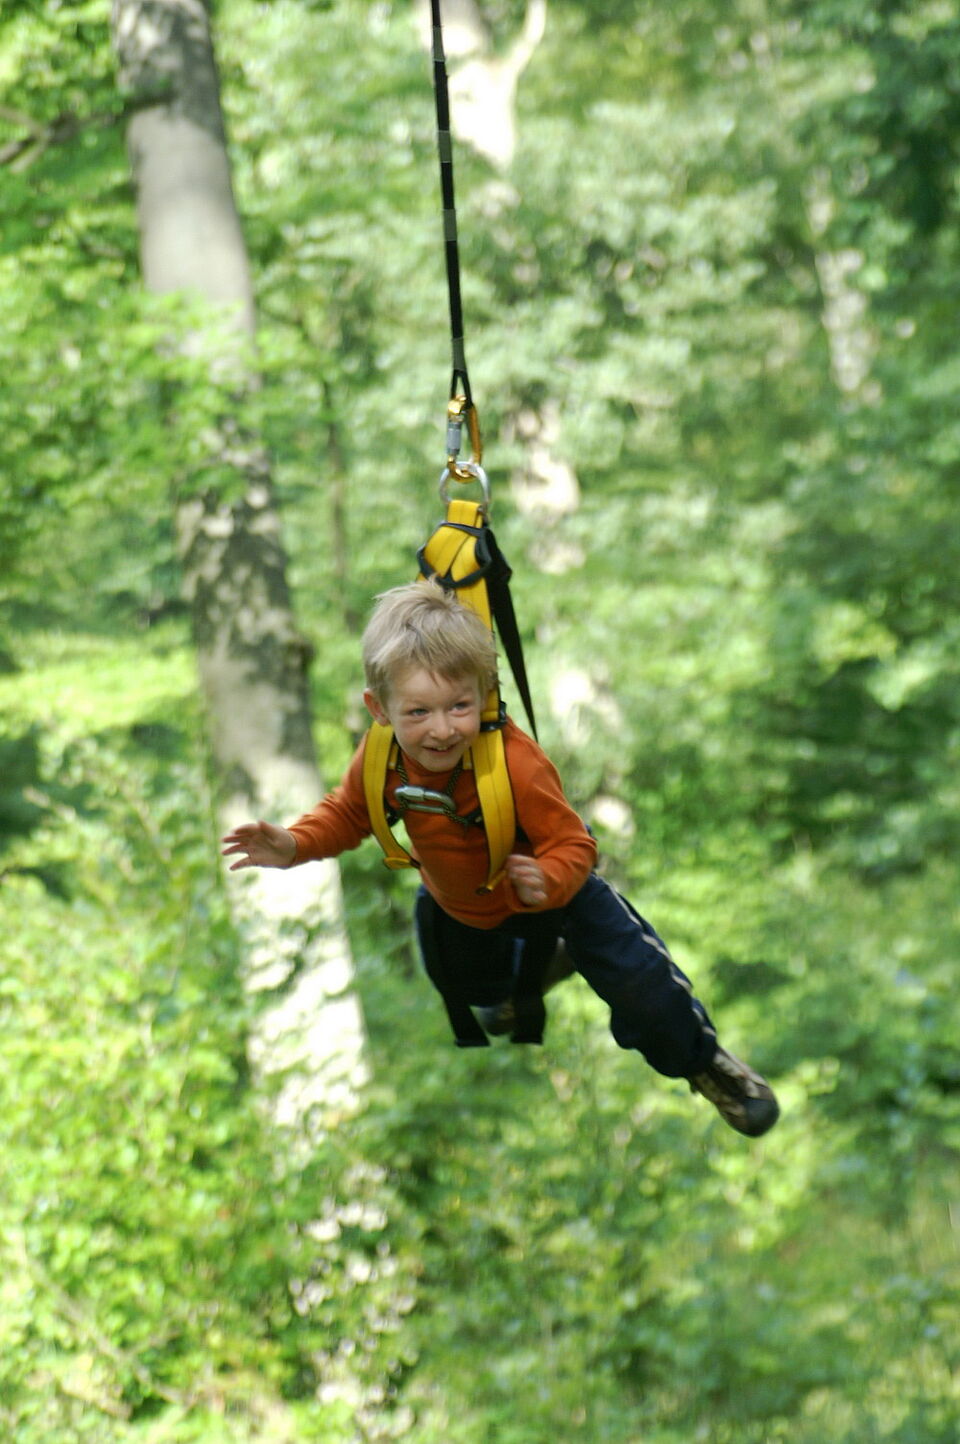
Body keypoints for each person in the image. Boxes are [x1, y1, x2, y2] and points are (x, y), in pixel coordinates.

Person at [222, 581, 779, 1138]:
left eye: (459, 706)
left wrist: (548, 878)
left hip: (556, 891)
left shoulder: (514, 763)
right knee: (478, 996)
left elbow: (574, 845)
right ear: (380, 709)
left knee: (643, 989)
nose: (443, 729)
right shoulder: (381, 757)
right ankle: (540, 968)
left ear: (485, 694)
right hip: (462, 904)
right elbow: (350, 812)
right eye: (418, 712)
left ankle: (703, 1063)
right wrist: (295, 844)